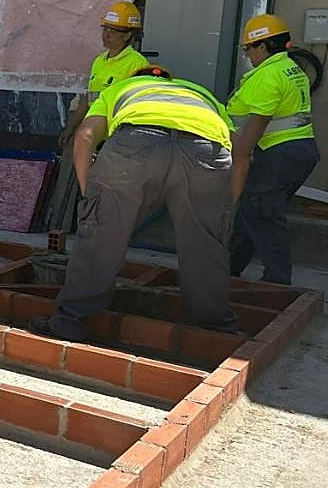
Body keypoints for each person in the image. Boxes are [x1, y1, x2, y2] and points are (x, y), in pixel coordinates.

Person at [29, 66, 241, 341]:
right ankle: (216, 333)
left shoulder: (120, 89)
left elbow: (84, 136)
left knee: (101, 237)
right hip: (206, 151)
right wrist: (226, 206)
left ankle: (69, 322)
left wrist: (90, 198)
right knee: (206, 245)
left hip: (135, 144)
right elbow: (242, 152)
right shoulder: (202, 94)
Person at [227, 14, 320, 285]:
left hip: (276, 155)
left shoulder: (267, 77)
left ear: (263, 46)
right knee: (252, 212)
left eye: (249, 49)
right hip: (298, 151)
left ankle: (277, 285)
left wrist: (237, 166)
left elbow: (250, 137)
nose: (248, 55)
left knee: (264, 217)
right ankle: (227, 268)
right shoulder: (291, 69)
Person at [58, 1, 149, 147]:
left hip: (116, 138)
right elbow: (89, 98)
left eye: (113, 31)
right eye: (105, 29)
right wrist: (71, 128)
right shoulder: (99, 61)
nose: (106, 34)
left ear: (127, 35)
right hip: (94, 134)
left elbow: (138, 106)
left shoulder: (137, 63)